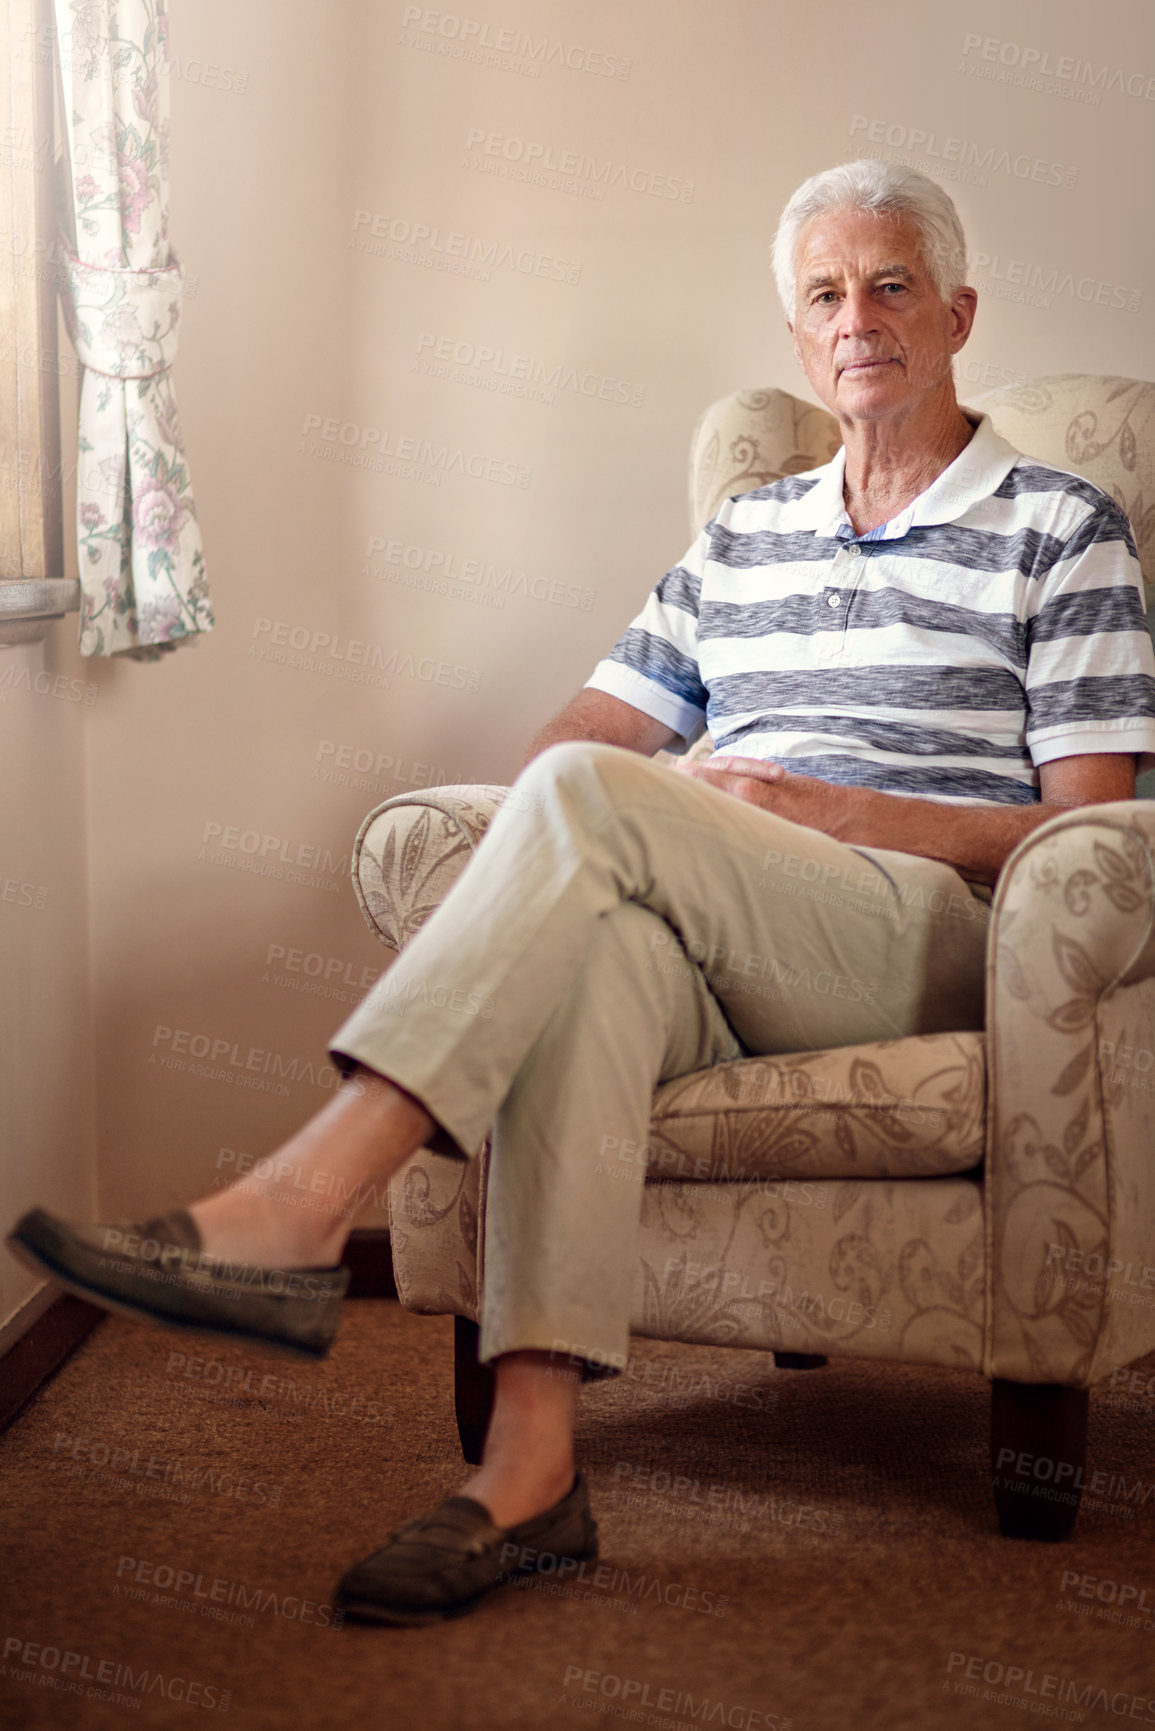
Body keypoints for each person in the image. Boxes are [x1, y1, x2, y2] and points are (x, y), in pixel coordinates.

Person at [10, 159, 1155, 1627]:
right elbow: (579, 744)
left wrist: (811, 803)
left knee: (604, 814)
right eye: (824, 296)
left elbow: (1090, 837)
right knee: (595, 947)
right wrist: (684, 814)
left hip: (918, 930)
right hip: (725, 912)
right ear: (797, 338)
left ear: (956, 314)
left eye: (890, 286)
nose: (857, 318)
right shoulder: (745, 535)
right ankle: (533, 1475)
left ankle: (301, 1201)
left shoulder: (1064, 526)